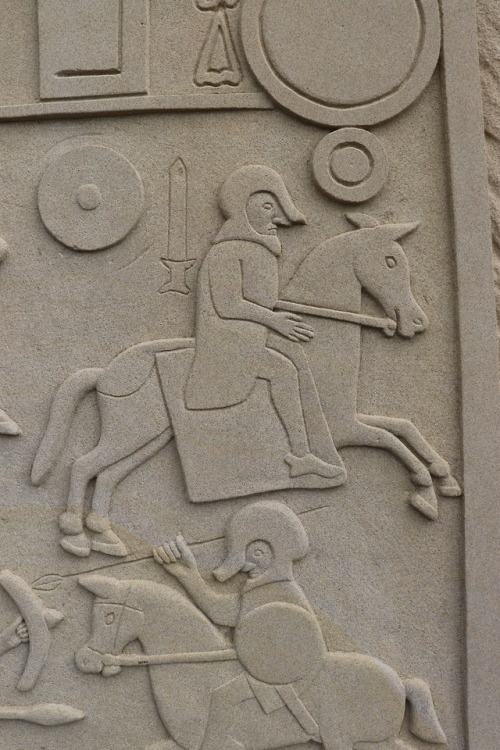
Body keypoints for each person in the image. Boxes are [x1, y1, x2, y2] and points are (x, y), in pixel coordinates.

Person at [184, 165, 344, 481]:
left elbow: (261, 301)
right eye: (267, 206)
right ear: (243, 210)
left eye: (276, 207)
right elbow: (229, 305)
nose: (277, 218)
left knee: (293, 363)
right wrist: (274, 321)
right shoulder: (227, 251)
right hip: (226, 343)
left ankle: (304, 453)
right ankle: (301, 455)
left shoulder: (256, 250)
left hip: (248, 338)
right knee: (283, 370)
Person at [154, 501, 331, 750]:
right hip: (269, 668)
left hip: (286, 676)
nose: (245, 566)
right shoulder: (261, 589)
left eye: (250, 556)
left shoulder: (280, 591)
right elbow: (220, 611)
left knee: (223, 697)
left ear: (266, 553)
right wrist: (186, 574)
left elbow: (299, 644)